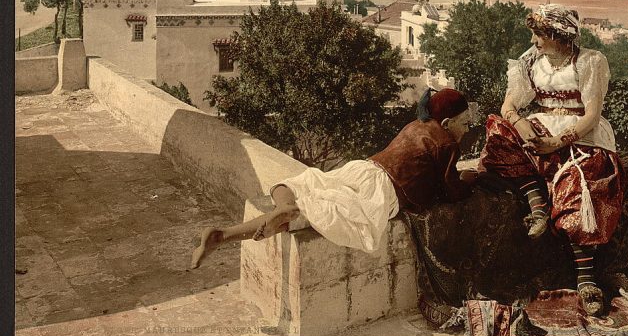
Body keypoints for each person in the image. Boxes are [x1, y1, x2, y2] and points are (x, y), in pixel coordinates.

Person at [191, 88, 475, 269]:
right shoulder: (446, 142)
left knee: (304, 184)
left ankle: (224, 235)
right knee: (325, 213)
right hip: (383, 190)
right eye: (466, 122)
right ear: (448, 123)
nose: (469, 128)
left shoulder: (416, 125)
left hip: (363, 169)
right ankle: (288, 211)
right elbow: (452, 192)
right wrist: (471, 178)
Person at [478, 4, 623, 317]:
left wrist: (557, 143)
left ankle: (586, 281)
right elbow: (509, 106)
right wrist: (521, 124)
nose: (534, 40)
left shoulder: (589, 61)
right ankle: (538, 208)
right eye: (534, 33)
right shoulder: (530, 61)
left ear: (560, 36)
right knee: (497, 132)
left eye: (541, 34)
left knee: (581, 186)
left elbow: (592, 116)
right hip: (540, 129)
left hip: (580, 135)